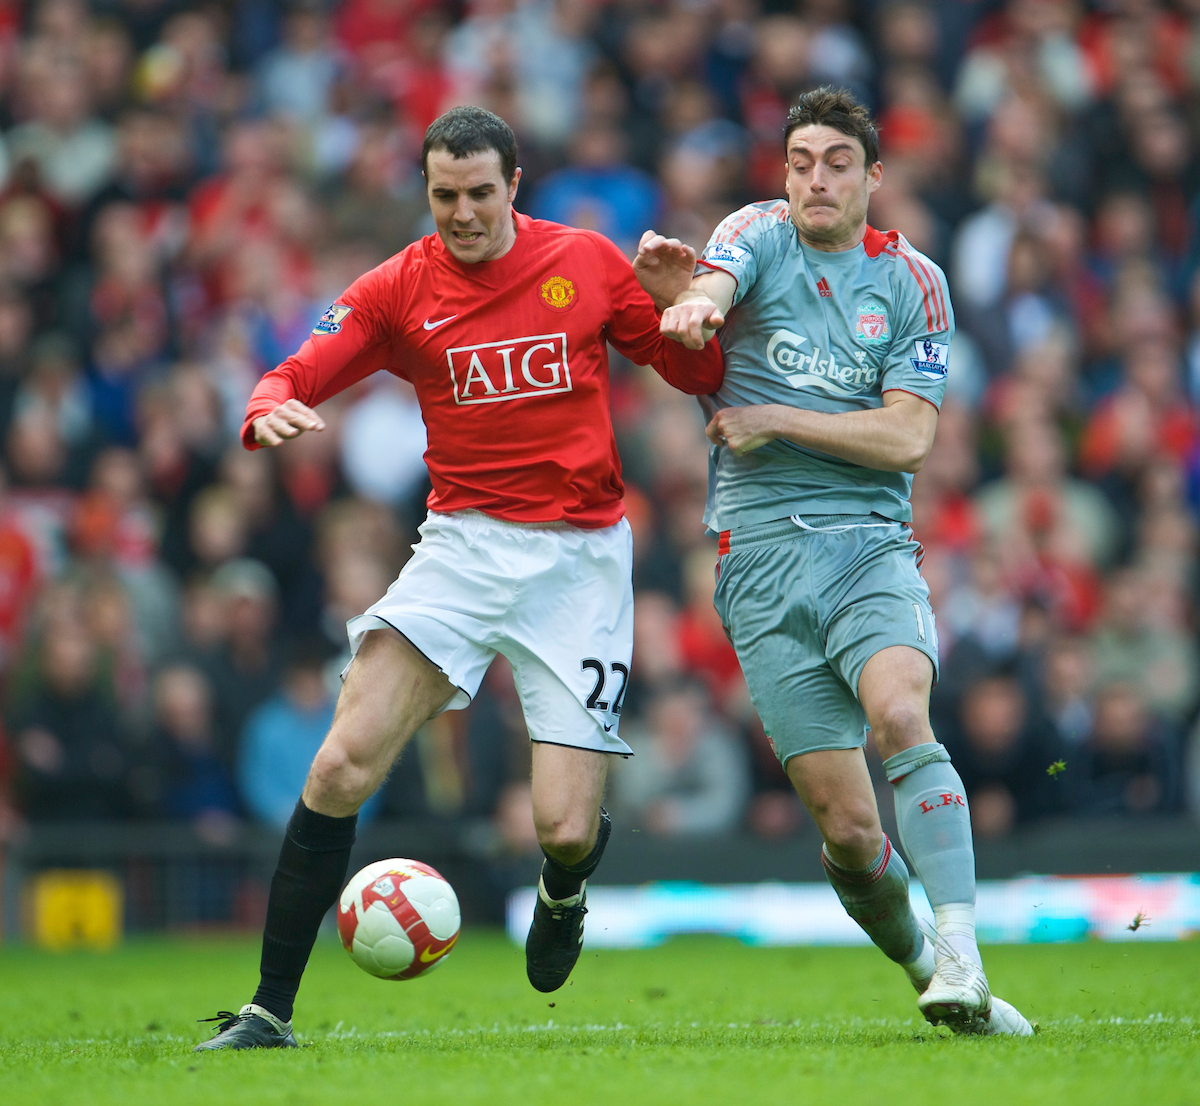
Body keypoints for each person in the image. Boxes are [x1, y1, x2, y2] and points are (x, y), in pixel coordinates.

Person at [195, 105, 723, 1051]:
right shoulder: (400, 286)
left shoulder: (590, 264)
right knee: (340, 762)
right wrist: (267, 404)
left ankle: (564, 891)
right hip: (463, 549)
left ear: (514, 184)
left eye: (481, 192)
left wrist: (683, 306)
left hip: (580, 559)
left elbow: (694, 375)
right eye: (446, 195)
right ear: (427, 191)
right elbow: (300, 369)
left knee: (560, 828)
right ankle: (269, 1009)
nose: (464, 213)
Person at [634, 87, 1032, 1036]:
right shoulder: (754, 234)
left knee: (901, 711)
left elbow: (907, 440)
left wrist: (775, 418)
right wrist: (688, 303)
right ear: (784, 172)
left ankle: (964, 948)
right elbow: (715, 287)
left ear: (873, 177)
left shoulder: (912, 280)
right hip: (757, 564)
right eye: (802, 160)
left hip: (867, 544)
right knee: (850, 834)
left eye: (838, 163)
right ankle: (933, 972)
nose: (818, 177)